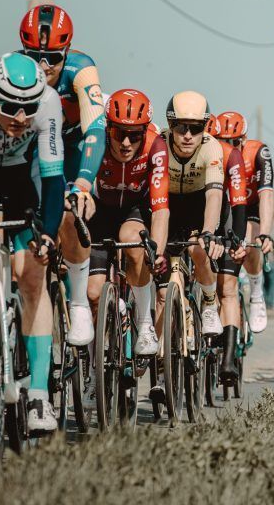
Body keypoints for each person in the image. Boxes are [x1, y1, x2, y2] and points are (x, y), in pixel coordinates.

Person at [0, 53, 65, 431]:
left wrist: (49, 235)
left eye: (28, 108)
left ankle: (38, 397)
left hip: (23, 182)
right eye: (10, 107)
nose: (20, 118)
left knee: (33, 273)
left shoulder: (49, 104)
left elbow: (54, 180)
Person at [19, 4, 106, 346]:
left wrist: (84, 182)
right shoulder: (16, 69)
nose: (43, 67)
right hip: (36, 152)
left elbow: (96, 129)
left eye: (53, 58)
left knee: (70, 212)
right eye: (35, 57)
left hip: (73, 150)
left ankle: (80, 301)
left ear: (66, 51)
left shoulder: (81, 69)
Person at [86, 89, 169, 355]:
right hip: (100, 210)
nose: (125, 142)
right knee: (93, 295)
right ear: (107, 128)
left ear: (145, 132)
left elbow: (161, 209)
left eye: (134, 135)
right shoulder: (94, 141)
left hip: (135, 208)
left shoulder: (156, 146)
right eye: (118, 133)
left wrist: (157, 250)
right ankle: (93, 362)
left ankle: (144, 322)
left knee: (133, 241)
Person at [155, 91, 226, 394]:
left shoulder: (212, 149)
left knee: (198, 249)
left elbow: (214, 196)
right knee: (160, 289)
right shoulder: (158, 144)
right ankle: (160, 361)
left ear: (205, 128)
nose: (187, 135)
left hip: (199, 206)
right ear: (170, 125)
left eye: (195, 128)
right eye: (181, 127)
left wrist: (209, 231)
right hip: (166, 207)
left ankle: (209, 303)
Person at [211, 111, 274, 333]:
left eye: (235, 142)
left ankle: (257, 292)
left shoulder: (259, 152)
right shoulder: (213, 154)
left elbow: (266, 194)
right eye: (223, 142)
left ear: (244, 140)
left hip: (252, 205)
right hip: (227, 207)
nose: (230, 147)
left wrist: (264, 233)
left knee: (249, 236)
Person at [206, 114, 248, 382]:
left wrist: (237, 241)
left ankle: (229, 359)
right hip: (198, 220)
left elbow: (239, 202)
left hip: (226, 217)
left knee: (228, 288)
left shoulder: (231, 155)